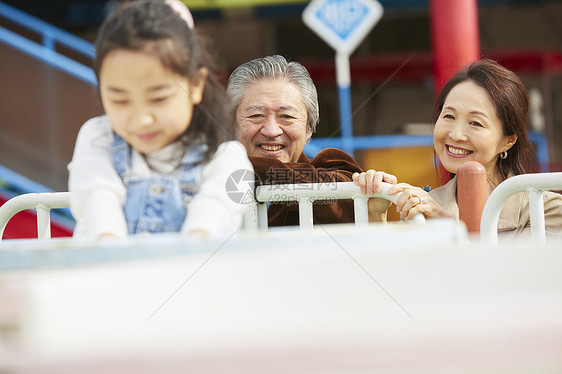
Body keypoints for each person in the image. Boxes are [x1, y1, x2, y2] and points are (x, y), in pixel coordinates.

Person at [68, 0, 252, 239]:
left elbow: (204, 232)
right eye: (120, 100)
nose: (142, 119)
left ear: (195, 85)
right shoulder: (98, 137)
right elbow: (99, 208)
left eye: (158, 99)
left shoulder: (227, 159)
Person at [388, 59, 562, 237]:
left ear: (508, 141)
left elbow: (502, 263)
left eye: (475, 123)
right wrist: (374, 212)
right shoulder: (421, 207)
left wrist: (444, 222)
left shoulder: (543, 209)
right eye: (449, 116)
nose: (456, 134)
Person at [228, 55, 396, 226]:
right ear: (233, 124)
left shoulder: (337, 172)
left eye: (286, 116)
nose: (271, 131)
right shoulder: (210, 181)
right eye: (256, 116)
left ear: (309, 128)